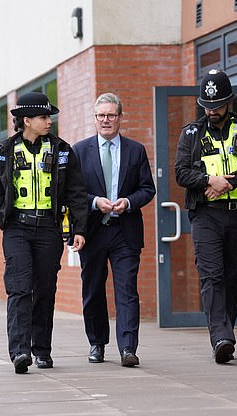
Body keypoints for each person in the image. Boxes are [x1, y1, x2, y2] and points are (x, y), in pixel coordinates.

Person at [0, 92, 88, 374]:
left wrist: (79, 229)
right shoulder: (4, 151)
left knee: (44, 290)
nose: (48, 121)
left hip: (49, 230)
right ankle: (19, 351)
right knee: (19, 288)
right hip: (17, 229)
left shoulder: (63, 151)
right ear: (26, 120)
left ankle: (41, 350)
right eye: (43, 117)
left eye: (48, 117)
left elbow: (76, 193)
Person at [174, 70, 237, 364]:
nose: (212, 111)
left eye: (218, 105)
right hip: (206, 216)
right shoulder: (191, 134)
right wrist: (210, 180)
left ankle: (225, 332)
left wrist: (228, 182)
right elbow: (181, 172)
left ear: (230, 102)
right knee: (212, 275)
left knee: (234, 278)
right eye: (207, 105)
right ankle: (221, 337)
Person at [72, 93, 156, 367]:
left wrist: (128, 202)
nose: (106, 120)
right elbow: (72, 193)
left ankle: (128, 348)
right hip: (93, 231)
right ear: (95, 119)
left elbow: (147, 189)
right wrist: (96, 202)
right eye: (101, 116)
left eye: (111, 115)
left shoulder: (135, 150)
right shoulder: (80, 151)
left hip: (125, 231)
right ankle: (97, 343)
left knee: (127, 290)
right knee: (93, 289)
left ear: (120, 117)